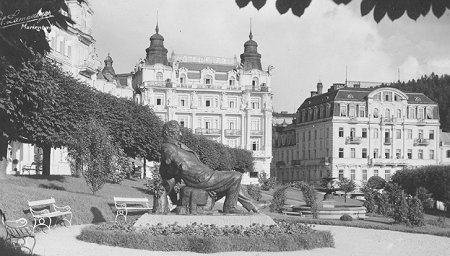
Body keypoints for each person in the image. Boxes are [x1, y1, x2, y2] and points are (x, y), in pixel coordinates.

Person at [159, 120, 258, 214]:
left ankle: (252, 205)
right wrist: (180, 163)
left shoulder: (178, 146)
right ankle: (230, 207)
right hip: (200, 178)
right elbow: (172, 157)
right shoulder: (167, 146)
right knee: (236, 176)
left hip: (205, 174)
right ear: (171, 133)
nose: (180, 134)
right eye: (178, 132)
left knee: (233, 182)